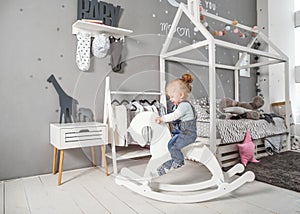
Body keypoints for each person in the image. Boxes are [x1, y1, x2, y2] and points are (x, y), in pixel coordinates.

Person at [155, 73, 197, 176]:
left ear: (181, 95)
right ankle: (171, 162)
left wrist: (162, 118)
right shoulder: (178, 106)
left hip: (188, 135)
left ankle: (178, 162)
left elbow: (174, 116)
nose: (170, 99)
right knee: (170, 144)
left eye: (172, 96)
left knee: (174, 147)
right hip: (181, 134)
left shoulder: (185, 106)